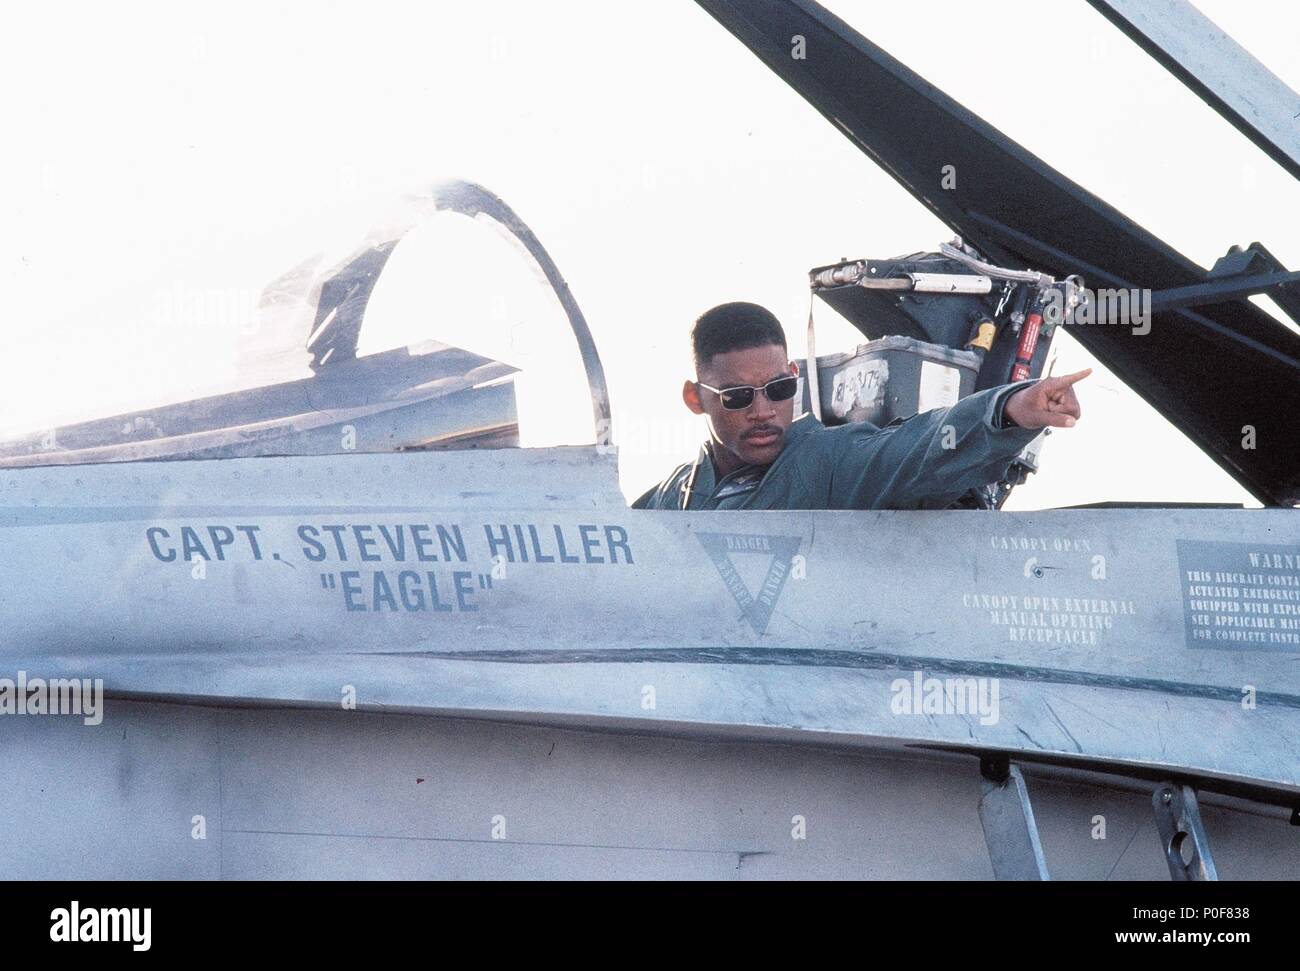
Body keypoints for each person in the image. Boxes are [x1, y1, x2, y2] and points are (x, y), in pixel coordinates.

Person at [632, 301, 1089, 510]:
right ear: (696, 399)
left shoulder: (831, 462)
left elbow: (914, 450)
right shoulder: (671, 499)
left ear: (794, 376)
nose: (763, 412)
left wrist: (1010, 410)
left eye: (778, 389)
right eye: (736, 397)